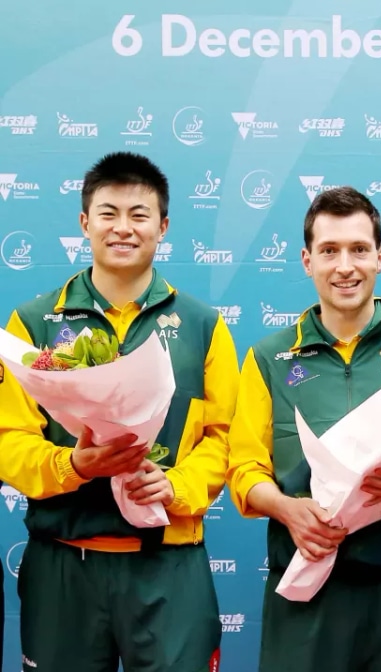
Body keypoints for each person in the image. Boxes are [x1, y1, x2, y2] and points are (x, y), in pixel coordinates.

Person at [0, 151, 237, 671]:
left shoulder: (203, 326)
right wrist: (72, 466)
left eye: (139, 215)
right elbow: (8, 439)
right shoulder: (34, 323)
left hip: (170, 567)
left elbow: (225, 441)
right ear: (85, 223)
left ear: (164, 226)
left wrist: (177, 486)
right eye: (108, 213)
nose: (123, 228)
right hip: (64, 561)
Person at [225, 186, 381, 671]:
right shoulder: (269, 357)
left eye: (358, 249)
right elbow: (244, 467)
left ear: (380, 257)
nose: (345, 266)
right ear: (307, 260)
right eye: (329, 251)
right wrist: (288, 509)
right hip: (304, 585)